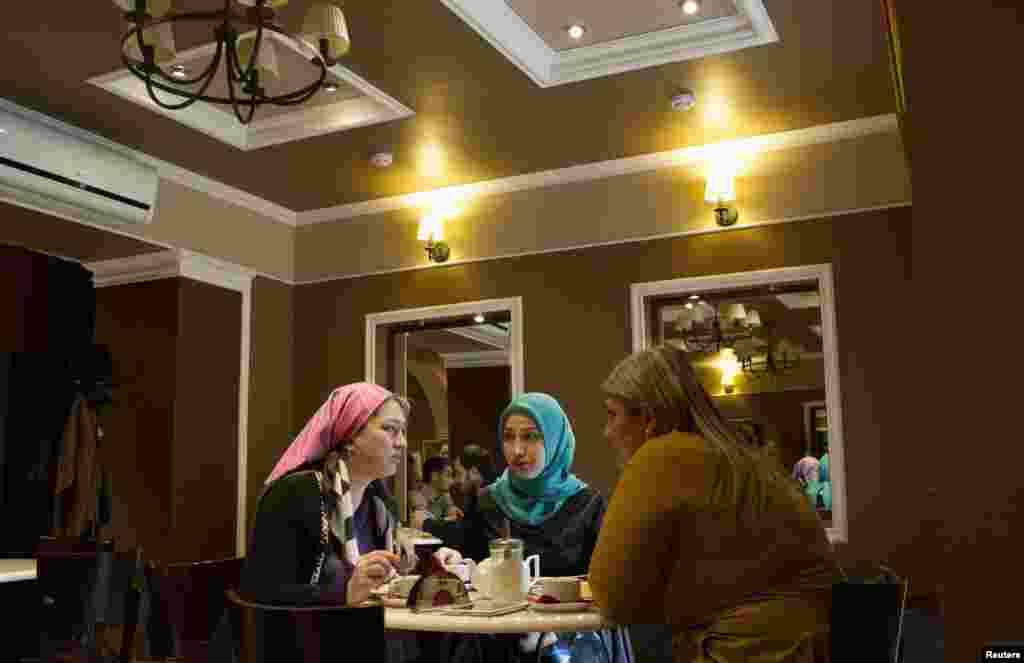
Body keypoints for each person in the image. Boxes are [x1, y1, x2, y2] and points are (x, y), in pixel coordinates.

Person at [589, 345, 840, 663]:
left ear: (649, 419)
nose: (607, 432)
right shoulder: (742, 457)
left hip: (750, 649)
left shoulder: (661, 455)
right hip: (816, 643)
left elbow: (612, 598)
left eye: (613, 415)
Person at [240, 383, 461, 661]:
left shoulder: (377, 497)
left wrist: (436, 563)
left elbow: (390, 569)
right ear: (350, 435)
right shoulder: (297, 493)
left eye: (403, 431)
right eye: (390, 429)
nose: (402, 442)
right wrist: (342, 592)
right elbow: (261, 590)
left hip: (366, 637)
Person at [414, 393, 633, 663]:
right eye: (508, 437)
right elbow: (468, 578)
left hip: (575, 649)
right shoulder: (486, 502)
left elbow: (610, 588)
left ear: (555, 441)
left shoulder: (588, 505)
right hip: (497, 649)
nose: (517, 450)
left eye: (531, 437)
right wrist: (455, 562)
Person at [416, 456, 463, 520]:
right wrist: (449, 519)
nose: (452, 481)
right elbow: (423, 525)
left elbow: (451, 510)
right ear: (434, 476)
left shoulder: (443, 497)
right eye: (448, 475)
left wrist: (452, 511)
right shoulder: (418, 498)